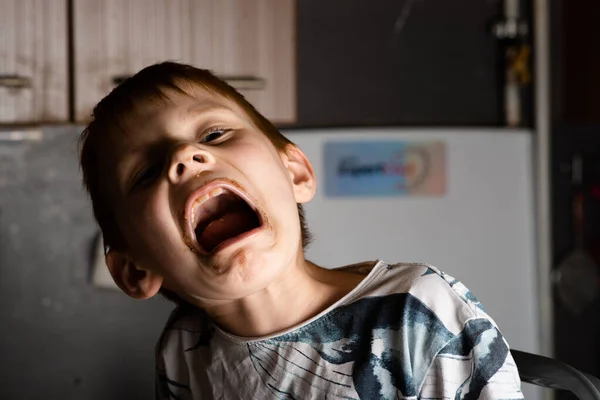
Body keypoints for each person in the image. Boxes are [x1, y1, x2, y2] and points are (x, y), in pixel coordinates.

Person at [78, 62, 524, 400]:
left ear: (294, 173)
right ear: (135, 269)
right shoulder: (185, 348)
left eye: (214, 133)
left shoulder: (415, 310)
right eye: (147, 171)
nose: (187, 155)